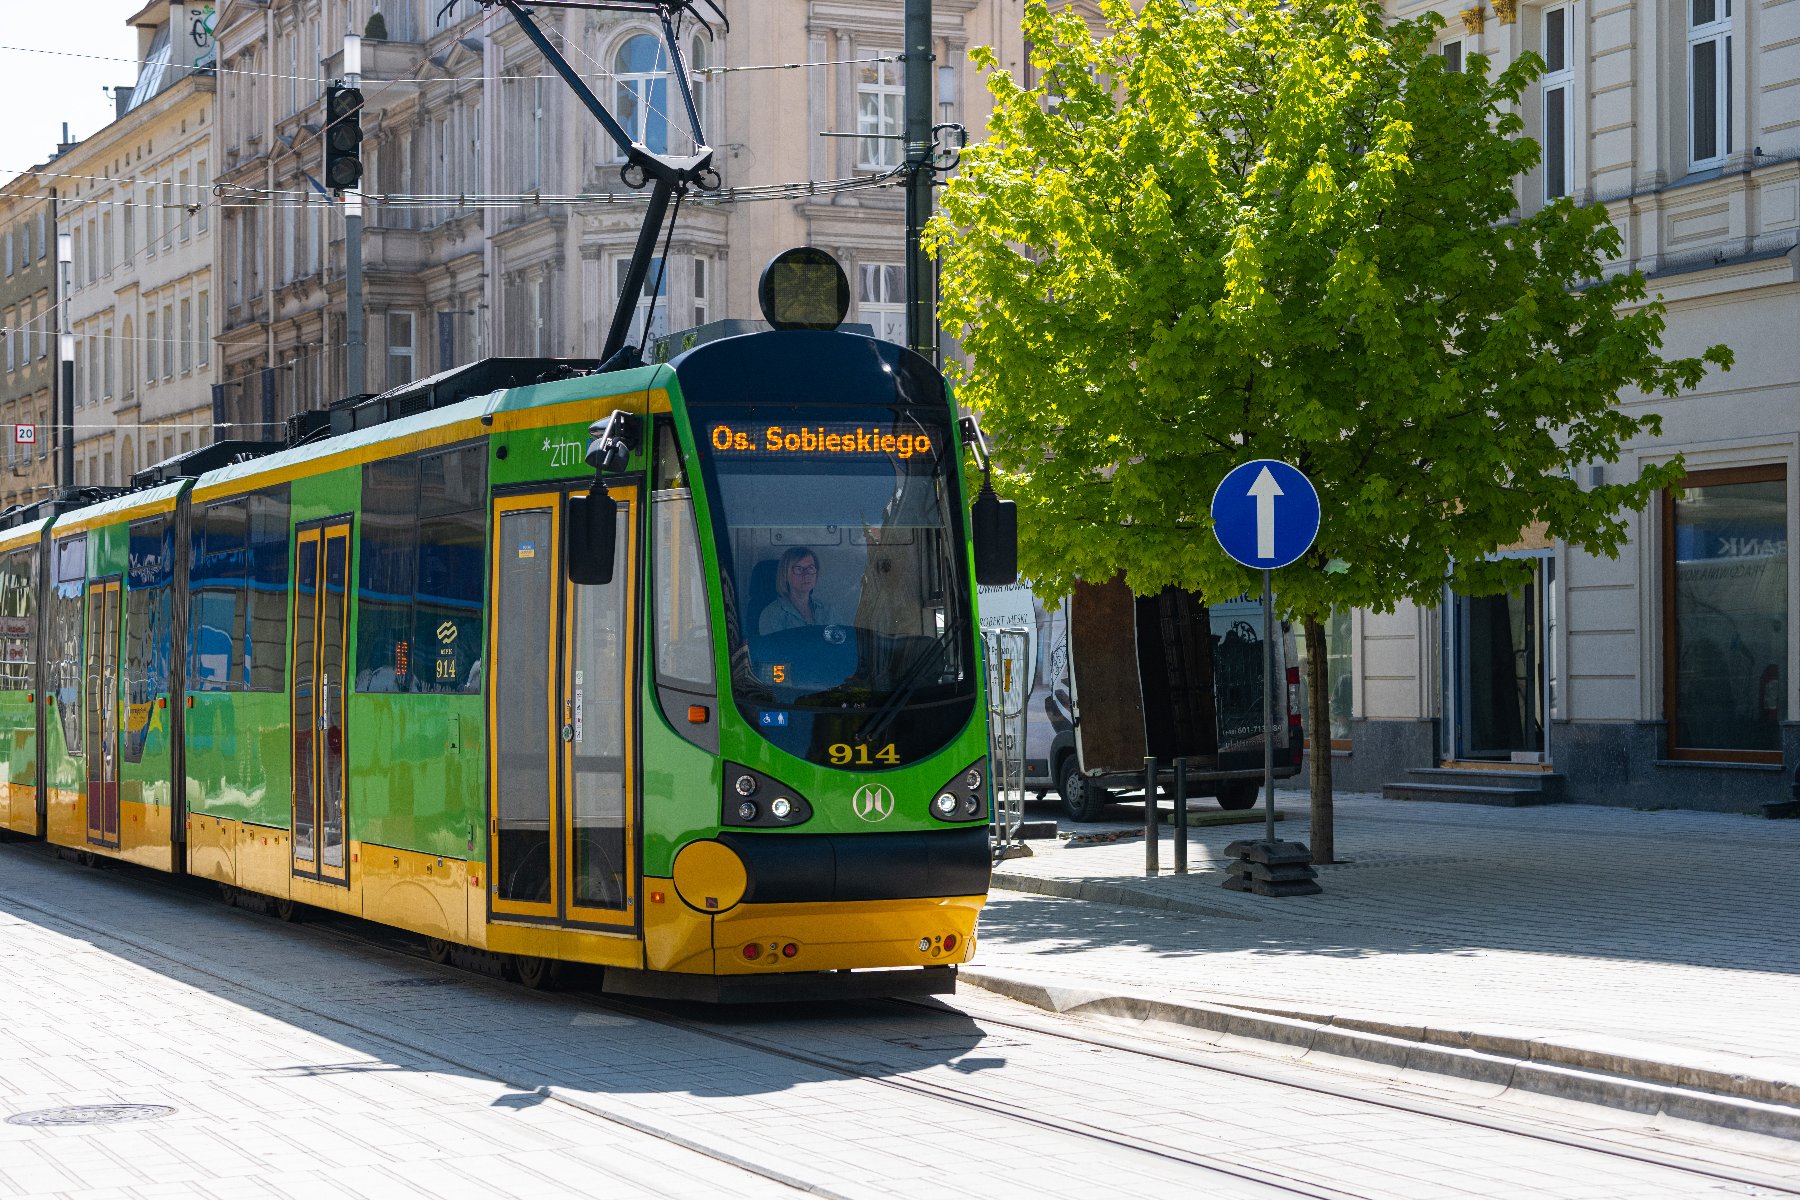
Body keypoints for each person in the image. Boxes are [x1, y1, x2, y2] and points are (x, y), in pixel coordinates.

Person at [759, 546, 834, 634]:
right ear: (785, 574)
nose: (806, 575)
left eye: (810, 568)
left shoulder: (827, 610)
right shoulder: (771, 614)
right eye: (799, 569)